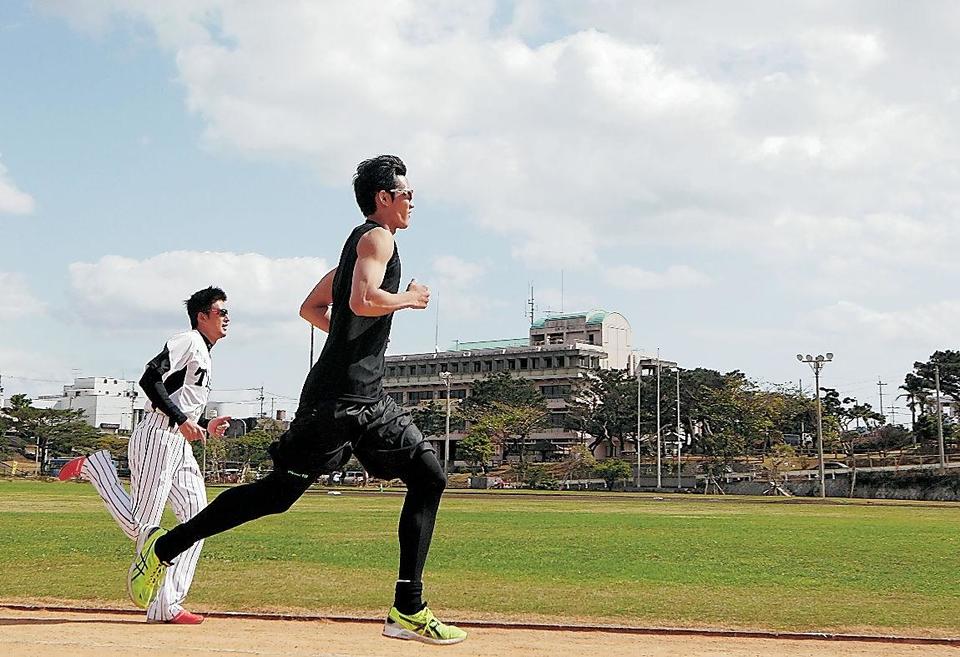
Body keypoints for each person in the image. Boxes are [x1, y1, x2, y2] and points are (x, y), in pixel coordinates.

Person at [128, 155, 466, 645]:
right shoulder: (377, 238)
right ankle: (164, 548)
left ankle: (407, 607)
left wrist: (349, 342)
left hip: (361, 396)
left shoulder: (356, 247)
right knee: (275, 496)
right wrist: (409, 300)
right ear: (383, 199)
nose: (413, 201)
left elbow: (312, 307)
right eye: (406, 193)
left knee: (428, 475)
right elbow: (360, 301)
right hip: (338, 401)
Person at [58, 287, 231, 624]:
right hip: (157, 435)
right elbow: (149, 378)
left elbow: (181, 400)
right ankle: (97, 469)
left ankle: (166, 604)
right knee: (144, 528)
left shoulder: (205, 353)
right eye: (221, 312)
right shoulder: (189, 340)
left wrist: (204, 424)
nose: (227, 318)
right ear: (202, 316)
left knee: (199, 520)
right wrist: (182, 420)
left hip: (178, 442)